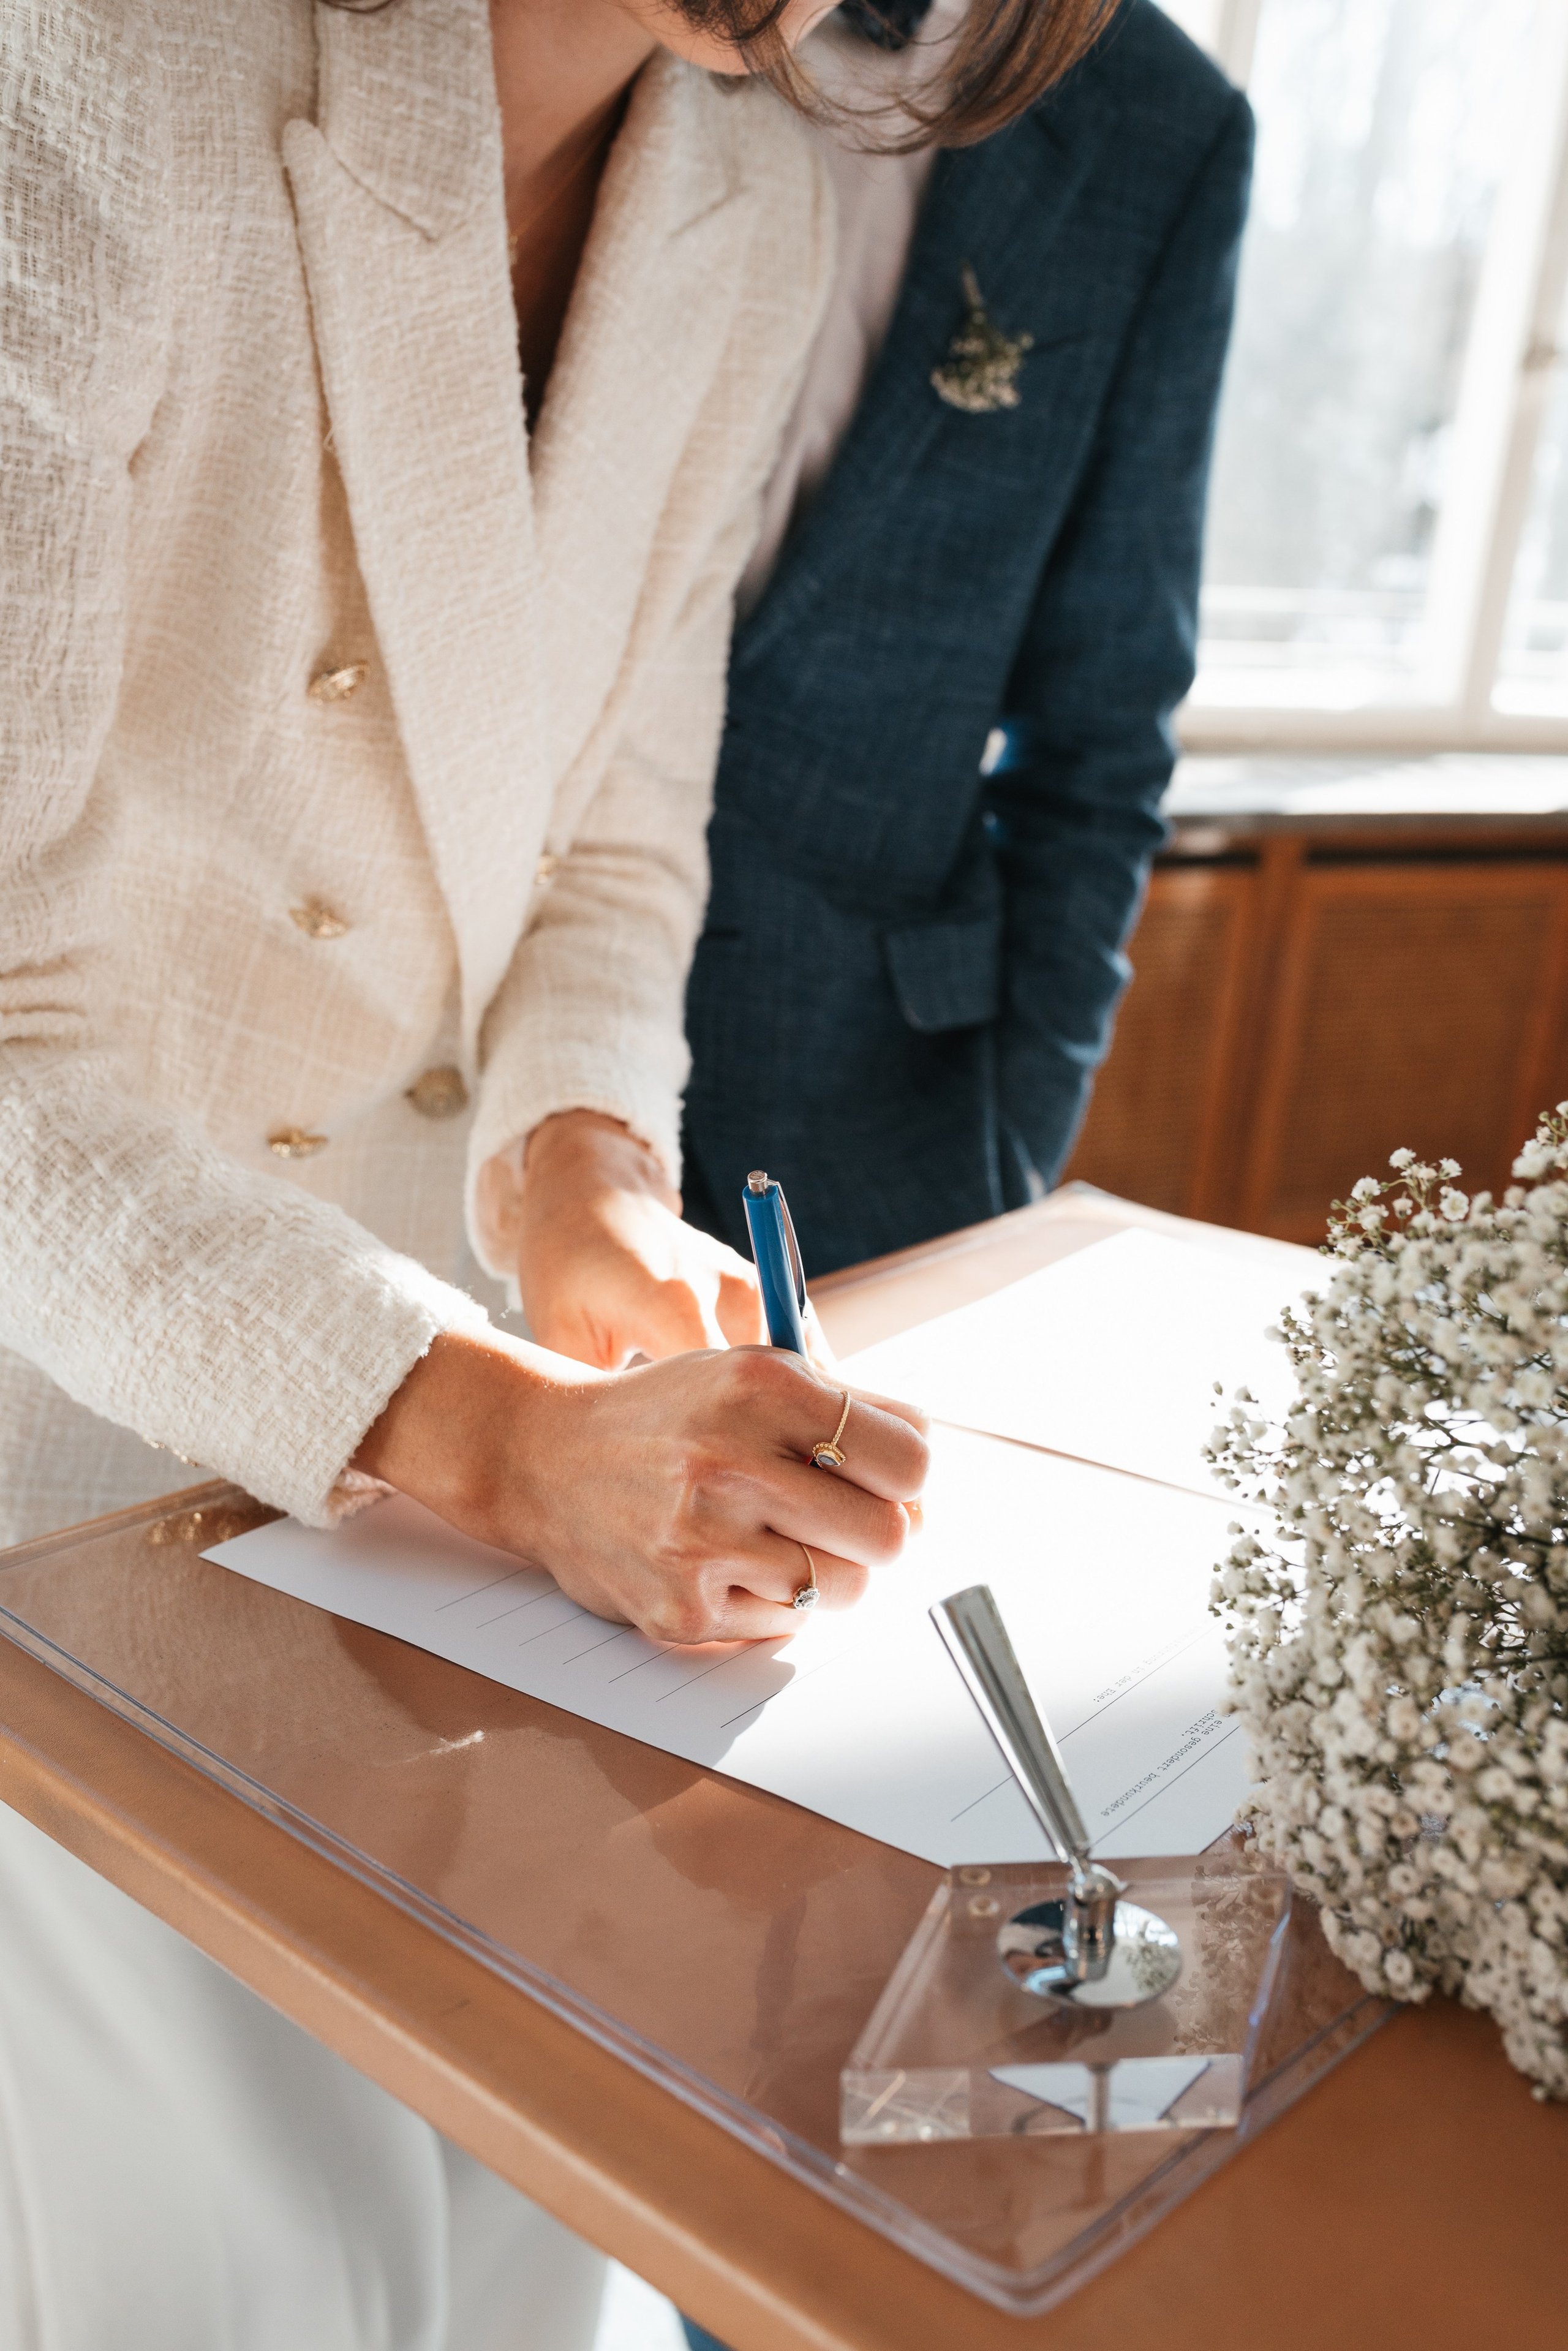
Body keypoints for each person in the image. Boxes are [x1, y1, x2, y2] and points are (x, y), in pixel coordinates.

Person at [0, 0, 1113, 2344]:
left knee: (537, 2214)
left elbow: (616, 842)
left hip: (435, 1493)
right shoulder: (91, 71)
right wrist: (494, 1429)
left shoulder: (744, 196)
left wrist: (585, 1188)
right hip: (71, 1443)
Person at [682, 0, 1255, 1280]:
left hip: (873, 1131)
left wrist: (1017, 1138)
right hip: (455, 1061)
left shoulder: (1162, 125)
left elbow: (1101, 734)